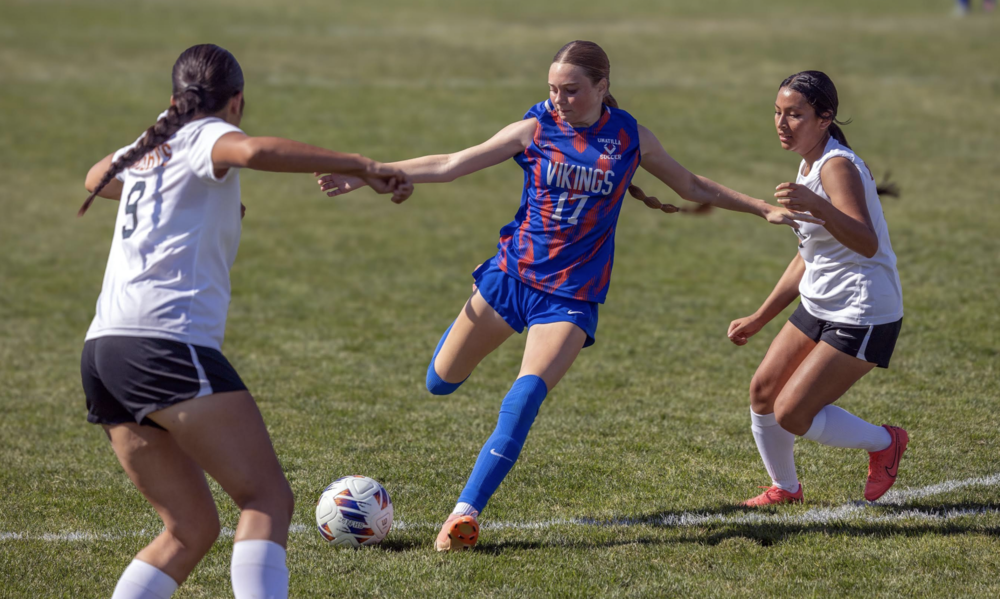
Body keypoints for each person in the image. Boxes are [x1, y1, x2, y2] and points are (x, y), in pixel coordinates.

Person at [317, 41, 819, 551]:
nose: (560, 99)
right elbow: (450, 163)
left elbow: (690, 184)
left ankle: (463, 516)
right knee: (439, 383)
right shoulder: (533, 128)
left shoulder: (629, 137)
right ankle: (471, 328)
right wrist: (367, 172)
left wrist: (761, 208)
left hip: (570, 298)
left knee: (525, 397)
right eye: (553, 89)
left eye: (572, 90)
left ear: (602, 87)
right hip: (509, 280)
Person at [80, 44, 410, 599]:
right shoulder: (205, 134)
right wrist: (363, 164)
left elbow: (95, 176)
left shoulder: (151, 147)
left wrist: (167, 192)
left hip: (104, 351)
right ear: (235, 102)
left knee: (189, 530)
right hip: (165, 342)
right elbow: (252, 150)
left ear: (173, 99)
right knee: (267, 500)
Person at [727, 71, 906, 507]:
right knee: (764, 393)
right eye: (777, 112)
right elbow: (809, 255)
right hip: (820, 302)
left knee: (792, 412)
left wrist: (819, 205)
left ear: (825, 118)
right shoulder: (808, 161)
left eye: (795, 114)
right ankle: (785, 489)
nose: (782, 123)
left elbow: (866, 242)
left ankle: (885, 442)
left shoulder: (835, 166)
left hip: (863, 310)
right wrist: (759, 317)